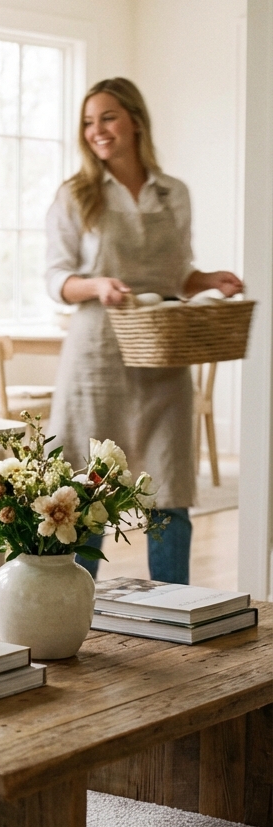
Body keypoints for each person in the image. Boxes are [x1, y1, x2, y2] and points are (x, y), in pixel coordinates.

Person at [44, 77, 243, 583]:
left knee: (168, 486)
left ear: (134, 120)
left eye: (107, 117)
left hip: (162, 352)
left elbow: (177, 274)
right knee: (87, 493)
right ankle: (77, 607)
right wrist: (95, 287)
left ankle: (173, 611)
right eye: (88, 122)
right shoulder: (76, 194)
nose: (97, 130)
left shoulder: (173, 193)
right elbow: (55, 277)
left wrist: (207, 280)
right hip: (96, 355)